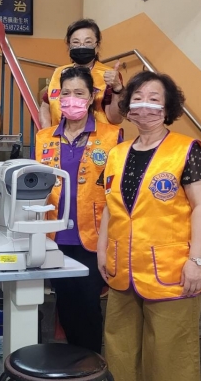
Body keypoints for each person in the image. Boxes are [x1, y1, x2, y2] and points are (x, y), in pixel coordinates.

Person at [97, 71, 201, 381]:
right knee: (120, 352)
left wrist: (196, 261)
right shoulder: (117, 153)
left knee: (170, 357)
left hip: (172, 272)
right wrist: (102, 250)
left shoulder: (187, 149)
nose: (144, 105)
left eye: (154, 99)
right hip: (122, 270)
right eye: (137, 98)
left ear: (168, 106)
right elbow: (110, 207)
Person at [34, 66, 123, 353]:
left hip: (93, 237)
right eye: (66, 93)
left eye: (79, 93)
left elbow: (116, 190)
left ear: (91, 97)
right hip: (54, 236)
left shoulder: (112, 136)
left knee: (87, 306)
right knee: (65, 305)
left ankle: (91, 364)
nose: (71, 99)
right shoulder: (44, 137)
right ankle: (73, 364)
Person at [39, 19, 125, 128]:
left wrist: (117, 89)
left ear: (97, 46)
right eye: (76, 42)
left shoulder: (110, 75)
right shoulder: (59, 73)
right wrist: (46, 132)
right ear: (69, 46)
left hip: (99, 137)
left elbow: (116, 119)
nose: (81, 46)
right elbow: (45, 106)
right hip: (60, 137)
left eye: (88, 42)